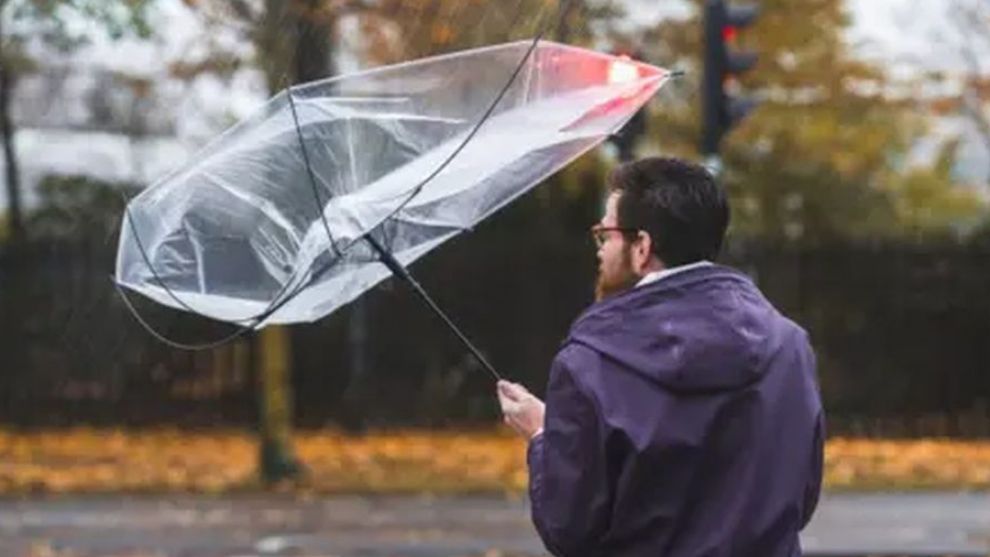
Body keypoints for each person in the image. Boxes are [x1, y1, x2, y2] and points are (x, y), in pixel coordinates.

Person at [497, 157, 824, 557]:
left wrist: (543, 438)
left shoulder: (590, 362)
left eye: (606, 235)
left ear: (642, 246)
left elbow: (569, 528)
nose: (600, 249)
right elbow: (800, 499)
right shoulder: (790, 347)